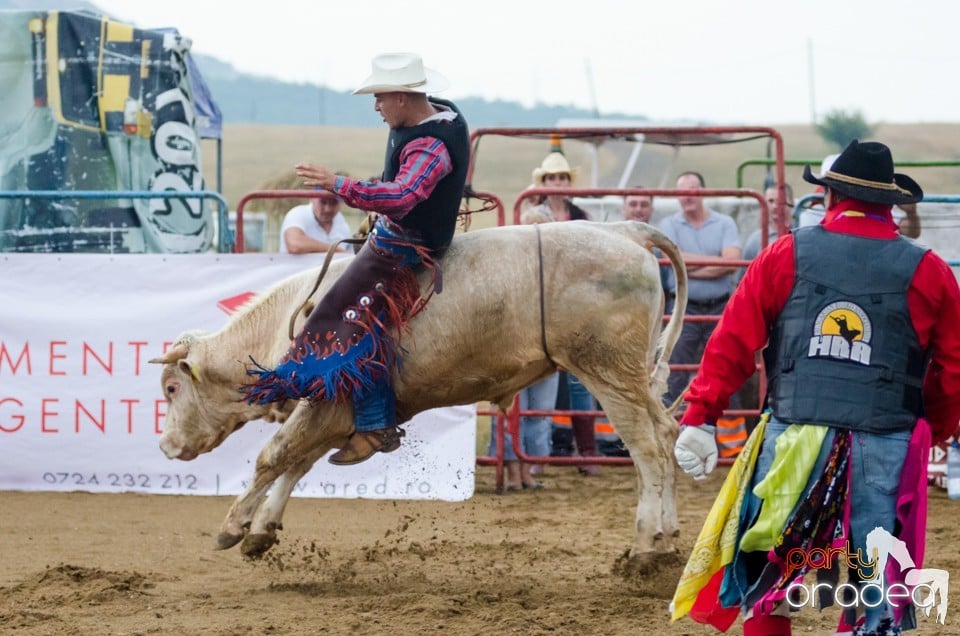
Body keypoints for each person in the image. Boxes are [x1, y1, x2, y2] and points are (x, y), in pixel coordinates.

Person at [671, 140, 960, 636]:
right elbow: (954, 368)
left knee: (770, 572)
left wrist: (701, 416)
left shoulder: (785, 253)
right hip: (885, 435)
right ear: (890, 204)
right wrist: (931, 424)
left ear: (828, 197)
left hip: (793, 433)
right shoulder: (930, 271)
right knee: (874, 581)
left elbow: (733, 340)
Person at [243, 52, 470, 466]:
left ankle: (374, 422)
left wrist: (338, 183)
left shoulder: (430, 145)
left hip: (407, 244)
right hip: (402, 234)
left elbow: (402, 198)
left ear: (402, 98)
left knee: (352, 317)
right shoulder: (438, 120)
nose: (376, 107)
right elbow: (400, 186)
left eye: (380, 97)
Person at [659, 171, 742, 408]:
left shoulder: (724, 223)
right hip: (683, 310)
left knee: (725, 371)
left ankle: (730, 442)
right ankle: (672, 439)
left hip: (720, 308)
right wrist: (715, 262)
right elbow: (671, 258)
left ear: (703, 192)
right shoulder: (668, 224)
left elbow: (731, 262)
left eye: (693, 190)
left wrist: (685, 265)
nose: (688, 196)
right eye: (683, 191)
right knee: (675, 374)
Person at [800, 154, 922, 239]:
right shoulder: (927, 262)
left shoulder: (793, 246)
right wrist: (912, 215)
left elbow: (910, 233)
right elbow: (909, 235)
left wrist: (912, 215)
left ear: (831, 194)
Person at [279, 189, 353, 256]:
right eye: (323, 202)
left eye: (334, 203)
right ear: (311, 198)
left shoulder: (341, 221)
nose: (327, 209)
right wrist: (335, 249)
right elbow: (294, 245)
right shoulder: (298, 214)